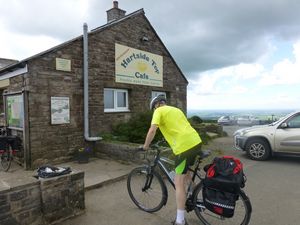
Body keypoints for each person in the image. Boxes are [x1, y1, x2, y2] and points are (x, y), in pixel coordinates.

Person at [142, 95, 202, 225]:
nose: (154, 111)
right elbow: (179, 127)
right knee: (187, 174)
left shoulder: (158, 111)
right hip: (196, 141)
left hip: (184, 147)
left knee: (178, 182)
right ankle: (195, 196)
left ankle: (180, 220)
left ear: (156, 105)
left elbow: (152, 130)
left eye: (153, 109)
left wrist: (145, 146)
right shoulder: (175, 109)